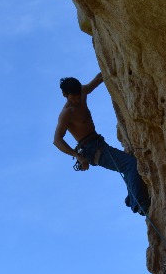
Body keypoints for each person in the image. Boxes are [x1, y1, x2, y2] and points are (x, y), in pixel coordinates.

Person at [54, 74, 151, 215]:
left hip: (99, 143)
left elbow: (99, 79)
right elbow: (57, 140)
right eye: (73, 98)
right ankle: (139, 204)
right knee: (130, 164)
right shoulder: (67, 113)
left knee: (127, 164)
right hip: (91, 150)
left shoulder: (82, 92)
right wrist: (78, 156)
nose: (77, 100)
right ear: (65, 95)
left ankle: (131, 198)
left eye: (78, 96)